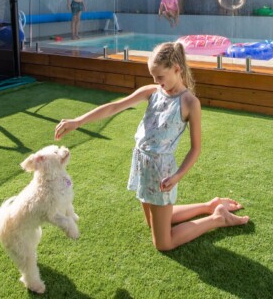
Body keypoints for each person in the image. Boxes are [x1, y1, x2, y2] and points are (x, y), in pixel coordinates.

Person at [54, 42, 248, 251]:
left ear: (176, 69)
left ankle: (218, 218)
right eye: (153, 77)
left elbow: (196, 148)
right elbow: (115, 106)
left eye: (160, 77)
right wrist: (78, 121)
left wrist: (177, 176)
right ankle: (208, 206)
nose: (156, 82)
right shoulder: (152, 91)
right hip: (141, 164)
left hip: (161, 172)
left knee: (164, 243)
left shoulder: (190, 103)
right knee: (153, 221)